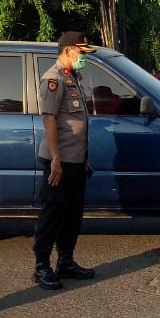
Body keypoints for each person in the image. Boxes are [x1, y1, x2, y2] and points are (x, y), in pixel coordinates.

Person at [33, 31, 98, 290]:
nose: (84, 57)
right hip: (58, 160)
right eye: (82, 53)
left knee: (72, 215)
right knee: (52, 214)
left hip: (75, 159)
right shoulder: (53, 79)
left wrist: (82, 159)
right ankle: (41, 267)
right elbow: (49, 119)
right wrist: (56, 159)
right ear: (69, 50)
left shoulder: (74, 77)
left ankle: (66, 262)